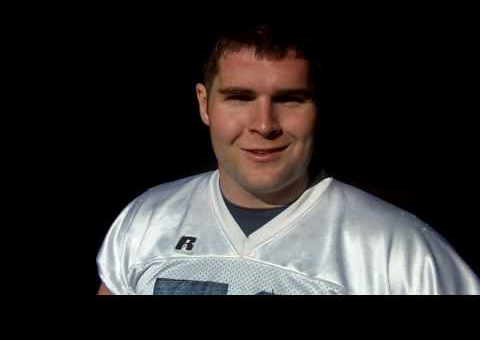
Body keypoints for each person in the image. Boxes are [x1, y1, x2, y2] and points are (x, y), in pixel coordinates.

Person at [96, 21, 480, 295]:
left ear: (319, 107)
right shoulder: (146, 220)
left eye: (290, 99)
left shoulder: (401, 251)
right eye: (240, 98)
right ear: (204, 104)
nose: (264, 125)